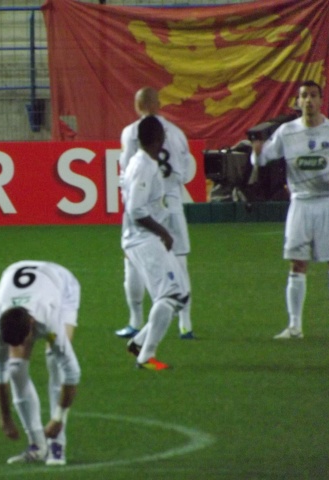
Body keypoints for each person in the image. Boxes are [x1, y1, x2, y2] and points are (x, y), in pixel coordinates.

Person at [251, 80, 329, 339]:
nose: (309, 100)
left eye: (313, 95)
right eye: (304, 96)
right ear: (298, 101)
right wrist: (256, 153)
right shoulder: (287, 132)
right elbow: (263, 157)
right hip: (300, 203)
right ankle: (294, 326)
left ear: (320, 100)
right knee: (297, 264)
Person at [115, 87, 196, 340]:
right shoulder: (177, 133)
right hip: (171, 201)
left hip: (143, 204)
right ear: (159, 104)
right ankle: (185, 325)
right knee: (179, 261)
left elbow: (128, 170)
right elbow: (183, 171)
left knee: (133, 261)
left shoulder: (132, 133)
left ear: (137, 106)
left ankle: (135, 321)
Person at [0, 260, 81, 466]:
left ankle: (57, 445)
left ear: (31, 326)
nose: (23, 347)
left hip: (62, 287)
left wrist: (58, 418)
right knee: (15, 369)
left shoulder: (48, 320)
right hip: (21, 278)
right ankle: (37, 445)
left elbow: (73, 372)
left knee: (56, 363)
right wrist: (5, 418)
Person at [121, 115, 190, 370]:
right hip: (144, 239)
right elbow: (136, 210)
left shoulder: (140, 162)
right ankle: (146, 357)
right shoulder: (144, 166)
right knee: (170, 295)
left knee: (181, 294)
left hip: (145, 238)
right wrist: (164, 232)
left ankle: (139, 342)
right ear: (159, 139)